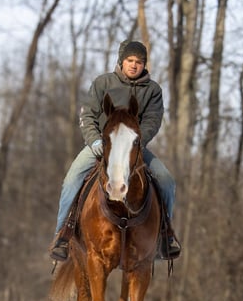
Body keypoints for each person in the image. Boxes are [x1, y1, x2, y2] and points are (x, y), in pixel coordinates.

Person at [49, 40, 181, 262]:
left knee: (167, 180)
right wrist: (94, 141)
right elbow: (88, 114)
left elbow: (152, 121)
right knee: (72, 180)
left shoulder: (153, 91)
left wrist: (135, 142)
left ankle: (164, 236)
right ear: (121, 61)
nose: (134, 65)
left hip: (133, 148)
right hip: (101, 146)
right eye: (130, 60)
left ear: (144, 65)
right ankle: (63, 234)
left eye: (139, 62)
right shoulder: (103, 83)